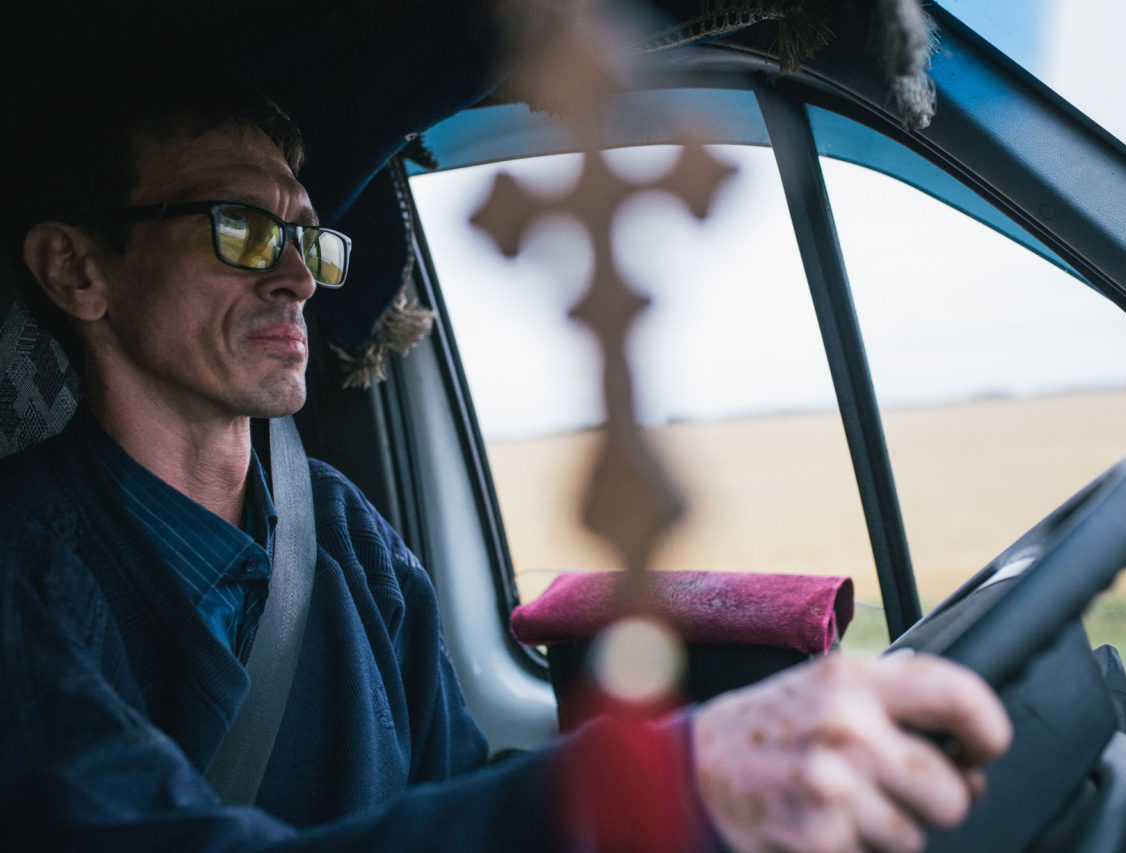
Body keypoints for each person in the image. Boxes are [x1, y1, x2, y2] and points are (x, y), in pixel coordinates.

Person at [0, 73, 1010, 852]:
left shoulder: (343, 529)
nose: (300, 277)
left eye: (308, 238)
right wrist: (667, 783)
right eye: (243, 230)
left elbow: (449, 787)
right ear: (76, 269)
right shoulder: (23, 576)